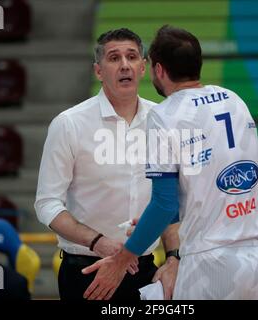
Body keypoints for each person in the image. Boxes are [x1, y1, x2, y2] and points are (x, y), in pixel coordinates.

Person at [82, 25, 258, 300]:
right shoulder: (234, 100)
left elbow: (164, 203)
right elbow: (208, 184)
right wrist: (154, 221)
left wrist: (123, 258)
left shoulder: (164, 115)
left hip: (210, 264)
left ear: (158, 70)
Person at [34, 28, 180, 300]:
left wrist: (173, 258)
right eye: (114, 58)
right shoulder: (69, 124)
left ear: (143, 67)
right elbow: (47, 204)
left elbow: (172, 202)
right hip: (86, 271)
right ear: (98, 71)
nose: (124, 64)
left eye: (132, 56)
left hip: (145, 270)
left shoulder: (164, 121)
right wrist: (99, 242)